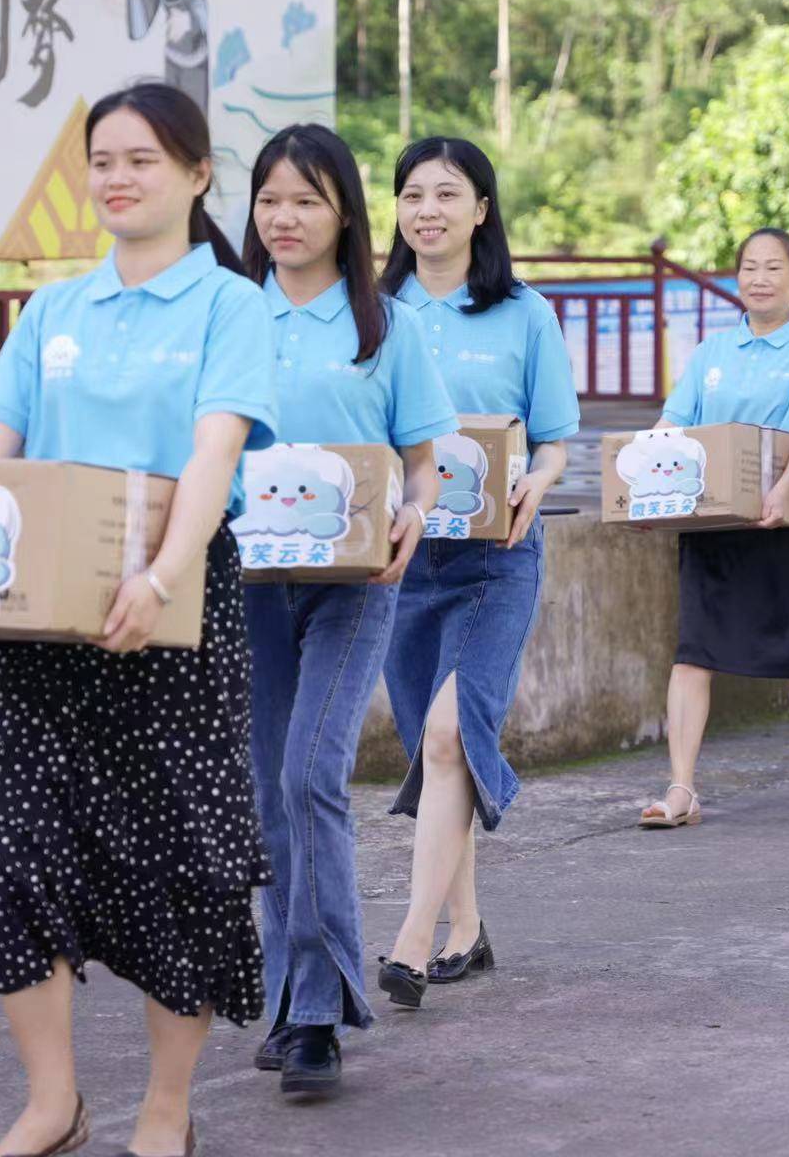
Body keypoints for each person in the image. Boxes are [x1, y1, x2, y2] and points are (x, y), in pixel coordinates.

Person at [0, 82, 276, 1157]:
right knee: (19, 856)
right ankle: (52, 1101)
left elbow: (211, 453)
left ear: (195, 175)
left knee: (180, 860)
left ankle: (165, 1107)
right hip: (43, 635)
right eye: (102, 160)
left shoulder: (231, 305)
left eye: (142, 158)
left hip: (172, 623)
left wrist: (164, 574)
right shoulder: (53, 312)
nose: (118, 177)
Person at [234, 124, 457, 1095]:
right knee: (264, 793)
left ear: (343, 214)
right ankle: (288, 993)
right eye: (270, 198)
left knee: (310, 773)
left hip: (354, 585)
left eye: (306, 200)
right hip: (243, 583)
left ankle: (320, 1011)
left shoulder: (384, 326)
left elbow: (425, 455)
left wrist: (413, 515)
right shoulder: (226, 317)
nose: (284, 218)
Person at [373, 136, 580, 1010]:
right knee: (431, 745)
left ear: (482, 210)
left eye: (447, 194)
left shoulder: (525, 313)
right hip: (398, 564)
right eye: (413, 194)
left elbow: (556, 437)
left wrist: (539, 475)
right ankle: (467, 928)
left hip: (497, 559)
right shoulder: (369, 314)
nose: (428, 210)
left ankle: (411, 942)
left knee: (454, 734)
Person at [636, 228, 789, 829]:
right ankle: (681, 788)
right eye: (749, 267)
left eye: (773, 268)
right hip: (715, 524)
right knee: (693, 652)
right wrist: (645, 495)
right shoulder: (711, 351)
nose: (759, 278)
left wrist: (784, 489)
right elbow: (673, 423)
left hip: (784, 517)